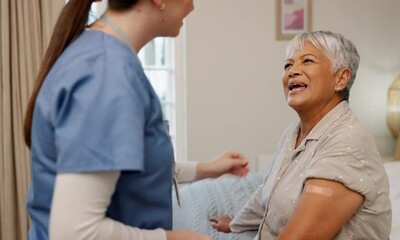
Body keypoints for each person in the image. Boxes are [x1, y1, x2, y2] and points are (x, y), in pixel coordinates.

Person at [23, 0, 249, 239]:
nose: (192, 6)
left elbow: (129, 172)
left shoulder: (104, 57)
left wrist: (205, 169)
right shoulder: (106, 73)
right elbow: (75, 232)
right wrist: (175, 238)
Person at [210, 31, 392, 239]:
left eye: (307, 61)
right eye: (288, 65)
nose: (293, 71)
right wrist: (236, 224)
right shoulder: (292, 133)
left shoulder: (348, 142)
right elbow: (271, 190)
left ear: (341, 79)